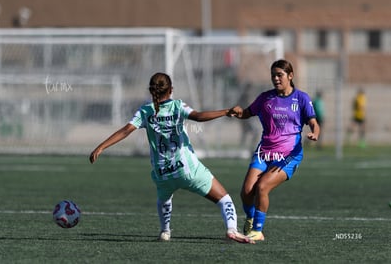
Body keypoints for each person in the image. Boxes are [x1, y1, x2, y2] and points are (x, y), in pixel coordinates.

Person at [89, 72, 254, 244]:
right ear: (171, 89)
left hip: (162, 173)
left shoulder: (145, 111)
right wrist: (226, 111)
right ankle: (232, 230)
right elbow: (198, 117)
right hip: (187, 169)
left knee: (164, 198)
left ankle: (165, 231)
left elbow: (125, 130)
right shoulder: (177, 106)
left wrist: (100, 147)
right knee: (224, 199)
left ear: (151, 90)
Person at [231, 59, 320, 241]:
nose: (276, 79)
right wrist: (238, 112)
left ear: (290, 76)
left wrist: (315, 133)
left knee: (262, 187)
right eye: (273, 75)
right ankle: (250, 219)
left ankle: (257, 231)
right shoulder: (266, 97)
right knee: (246, 192)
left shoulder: (301, 98)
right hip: (264, 152)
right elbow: (248, 112)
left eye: (280, 75)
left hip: (288, 155)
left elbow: (313, 122)